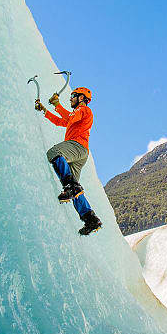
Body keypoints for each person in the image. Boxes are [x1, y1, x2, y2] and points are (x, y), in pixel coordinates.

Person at [35, 86, 103, 235]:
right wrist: (45, 110)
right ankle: (90, 219)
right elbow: (61, 122)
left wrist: (57, 105)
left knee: (54, 152)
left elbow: (70, 117)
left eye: (73, 95)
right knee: (75, 188)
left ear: (81, 98)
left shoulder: (83, 110)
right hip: (80, 152)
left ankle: (70, 187)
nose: (71, 98)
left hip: (77, 146)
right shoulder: (76, 115)